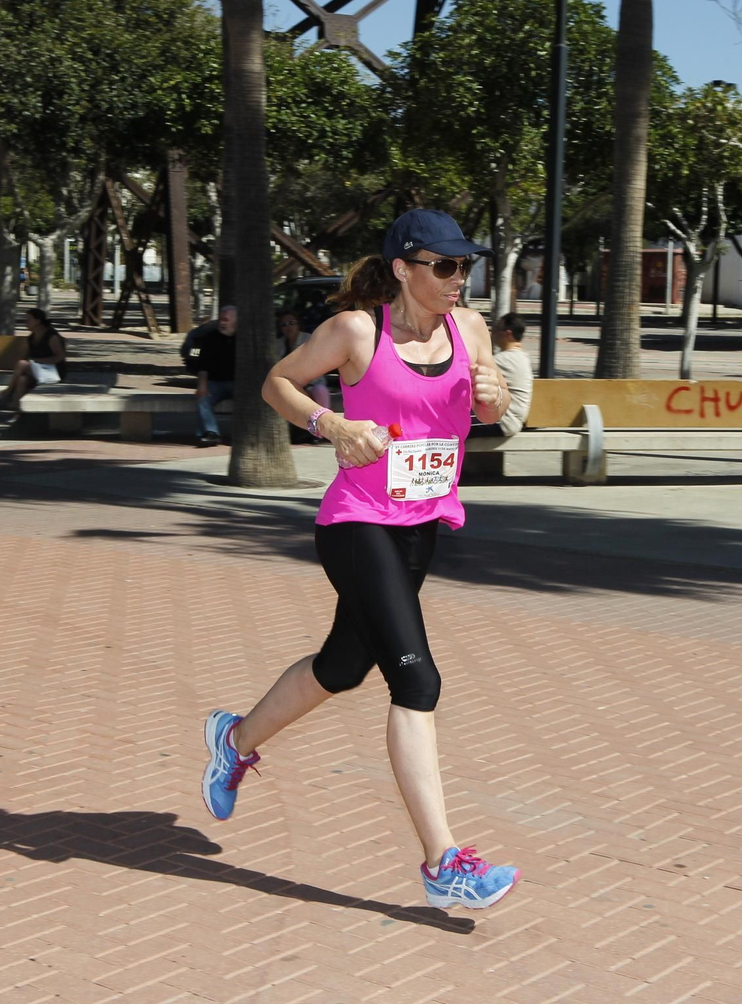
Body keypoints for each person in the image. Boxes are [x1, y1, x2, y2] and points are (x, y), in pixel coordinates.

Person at [200, 209, 521, 911]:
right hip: (355, 524)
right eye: (444, 265)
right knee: (417, 678)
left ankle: (235, 737)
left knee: (343, 666)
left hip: (420, 523)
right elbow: (275, 382)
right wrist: (332, 423)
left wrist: (496, 398)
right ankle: (444, 863)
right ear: (405, 268)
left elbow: (490, 398)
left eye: (464, 266)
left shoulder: (469, 328)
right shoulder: (356, 330)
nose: (457, 279)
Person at [469, 313, 533, 439]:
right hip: (510, 420)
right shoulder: (521, 357)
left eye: (496, 329)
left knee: (453, 422)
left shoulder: (504, 360)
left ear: (507, 334)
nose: (493, 333)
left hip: (503, 421)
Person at [0, 307, 67, 409]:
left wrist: (39, 361)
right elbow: (23, 357)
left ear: (38, 321)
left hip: (54, 372)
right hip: (38, 371)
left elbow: (60, 357)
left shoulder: (51, 337)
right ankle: (17, 408)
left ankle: (8, 392)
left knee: (22, 364)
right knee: (22, 379)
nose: (25, 322)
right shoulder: (30, 338)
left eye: (28, 320)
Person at [278, 310, 331, 442]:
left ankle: (325, 429)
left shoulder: (308, 339)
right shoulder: (277, 344)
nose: (288, 327)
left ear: (298, 325)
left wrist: (307, 385)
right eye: (284, 324)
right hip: (290, 386)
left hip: (312, 382)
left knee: (321, 390)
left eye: (291, 323)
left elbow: (317, 365)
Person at [194, 305, 237, 447]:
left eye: (226, 320)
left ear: (235, 321)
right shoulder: (210, 338)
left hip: (238, 383)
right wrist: (202, 384)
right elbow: (202, 365)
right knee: (203, 398)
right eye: (220, 319)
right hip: (215, 383)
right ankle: (211, 433)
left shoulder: (243, 339)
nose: (222, 323)